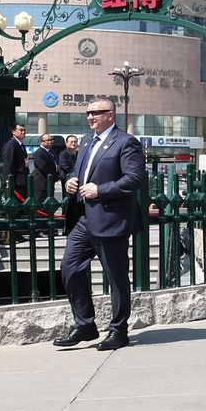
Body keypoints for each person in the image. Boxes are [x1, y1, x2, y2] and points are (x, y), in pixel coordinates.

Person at [54, 98, 146, 351]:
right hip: (83, 219)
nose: (90, 117)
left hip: (110, 220)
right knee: (69, 268)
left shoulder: (126, 142)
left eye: (96, 112)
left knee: (116, 278)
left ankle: (118, 330)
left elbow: (135, 178)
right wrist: (71, 182)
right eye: (88, 113)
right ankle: (85, 325)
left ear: (111, 115)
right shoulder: (85, 141)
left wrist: (100, 190)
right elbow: (79, 171)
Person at [2, 123, 29, 200]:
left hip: (22, 181)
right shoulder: (11, 144)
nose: (23, 132)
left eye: (24, 130)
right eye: (20, 130)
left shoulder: (21, 145)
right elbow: (8, 163)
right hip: (16, 182)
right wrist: (8, 181)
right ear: (13, 132)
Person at [31, 134, 59, 206]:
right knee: (40, 205)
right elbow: (43, 167)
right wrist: (54, 176)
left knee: (49, 205)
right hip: (41, 185)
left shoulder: (51, 152)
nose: (50, 142)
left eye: (51, 140)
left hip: (50, 183)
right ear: (41, 142)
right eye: (48, 140)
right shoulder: (39, 153)